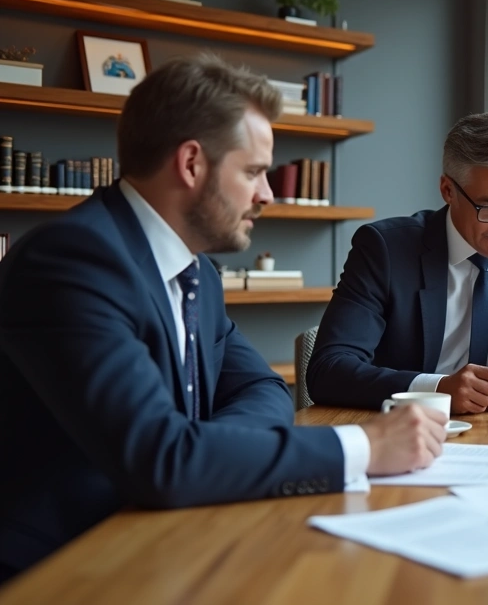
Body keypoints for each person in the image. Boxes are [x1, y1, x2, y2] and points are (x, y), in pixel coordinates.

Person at [0, 53, 449, 583]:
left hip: (169, 532)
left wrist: (203, 453)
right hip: (61, 564)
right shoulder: (73, 261)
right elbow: (162, 459)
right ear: (191, 163)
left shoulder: (199, 274)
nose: (268, 194)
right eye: (254, 172)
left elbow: (263, 388)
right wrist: (368, 446)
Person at [307, 113, 488, 413]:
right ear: (448, 190)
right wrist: (437, 388)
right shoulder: (385, 250)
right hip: (406, 427)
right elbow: (327, 371)